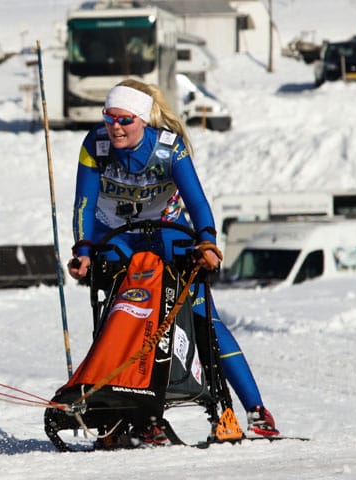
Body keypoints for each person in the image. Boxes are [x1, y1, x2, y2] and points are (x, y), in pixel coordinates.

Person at [67, 79, 279, 438]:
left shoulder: (169, 148)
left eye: (124, 120)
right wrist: (83, 250)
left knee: (202, 316)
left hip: (165, 230)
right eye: (109, 118)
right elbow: (84, 204)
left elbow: (197, 202)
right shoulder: (95, 145)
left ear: (142, 119)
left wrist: (207, 241)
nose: (115, 127)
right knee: (125, 316)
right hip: (114, 233)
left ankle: (255, 410)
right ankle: (132, 411)